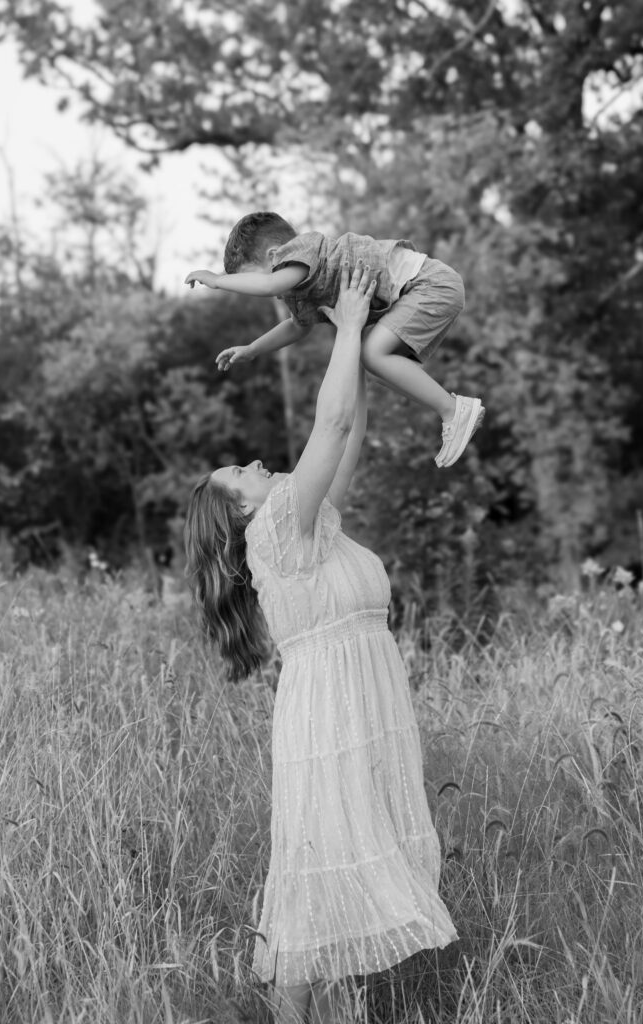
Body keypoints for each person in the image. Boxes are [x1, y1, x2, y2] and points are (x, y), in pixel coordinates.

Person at [184, 261, 458, 1024]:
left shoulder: (306, 521)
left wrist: (363, 338)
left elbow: (349, 427)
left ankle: (319, 1010)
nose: (258, 463)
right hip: (330, 710)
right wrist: (342, 327)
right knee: (319, 866)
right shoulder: (275, 534)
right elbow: (328, 426)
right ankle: (291, 1012)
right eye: (242, 471)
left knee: (335, 864)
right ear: (240, 514)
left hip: (357, 703)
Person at [185, 211, 484, 469]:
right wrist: (253, 349)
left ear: (276, 256)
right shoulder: (303, 290)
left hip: (429, 284)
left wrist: (217, 280)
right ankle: (450, 411)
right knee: (375, 363)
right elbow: (296, 327)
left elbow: (268, 284)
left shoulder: (305, 250)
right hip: (423, 293)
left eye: (249, 279)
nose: (272, 294)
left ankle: (453, 410)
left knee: (372, 355)